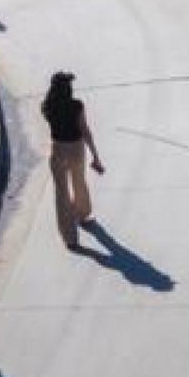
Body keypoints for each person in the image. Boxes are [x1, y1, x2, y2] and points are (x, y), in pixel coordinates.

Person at [41, 72, 105, 251]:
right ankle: (83, 215)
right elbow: (85, 130)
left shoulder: (46, 106)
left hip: (57, 149)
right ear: (68, 89)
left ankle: (70, 237)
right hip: (76, 148)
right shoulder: (77, 106)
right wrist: (95, 156)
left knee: (61, 192)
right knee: (79, 183)